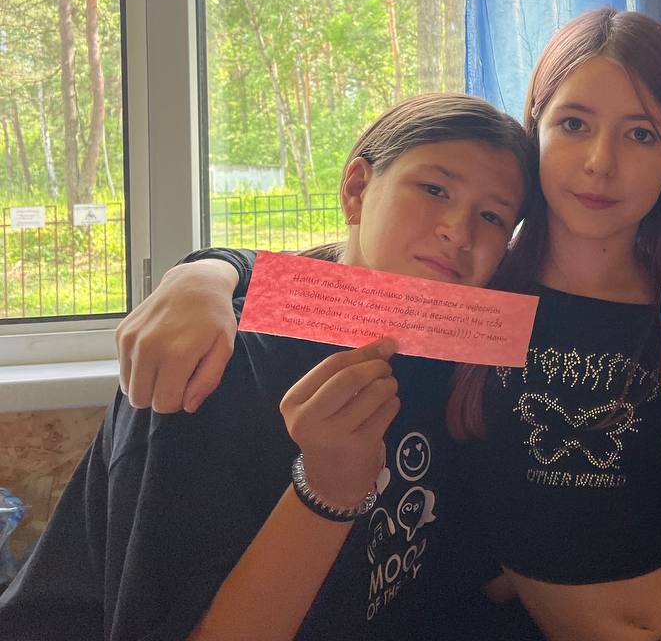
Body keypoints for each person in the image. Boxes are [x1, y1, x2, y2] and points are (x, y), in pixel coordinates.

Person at [101, 9, 661, 641]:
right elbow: (319, 282)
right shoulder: (469, 301)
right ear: (535, 131)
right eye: (574, 124)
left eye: (641, 134)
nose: (601, 162)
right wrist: (204, 272)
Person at [0, 94, 544, 641]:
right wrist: (326, 490)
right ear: (357, 189)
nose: (459, 231)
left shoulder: (454, 369)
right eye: (434, 189)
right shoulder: (213, 362)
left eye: (493, 217)